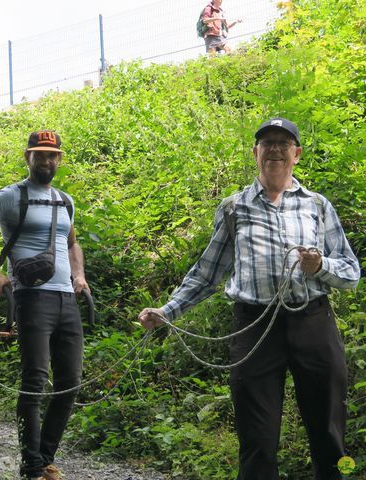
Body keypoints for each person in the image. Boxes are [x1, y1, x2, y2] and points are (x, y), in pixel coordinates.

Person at [138, 118, 360, 480]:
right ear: (255, 153)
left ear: (296, 154)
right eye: (267, 143)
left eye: (283, 143)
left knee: (330, 429)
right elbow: (207, 273)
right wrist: (167, 311)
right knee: (257, 436)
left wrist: (320, 266)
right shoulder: (233, 208)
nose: (275, 149)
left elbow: (350, 272)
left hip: (313, 322)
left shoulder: (317, 206)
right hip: (254, 328)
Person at [0, 130, 89, 480]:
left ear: (59, 159)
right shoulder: (11, 197)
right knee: (34, 380)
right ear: (27, 157)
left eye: (52, 155)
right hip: (32, 298)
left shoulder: (65, 200)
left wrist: (79, 277)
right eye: (39, 154)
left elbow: (72, 244)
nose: (47, 161)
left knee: (70, 382)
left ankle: (42, 460)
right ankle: (32, 465)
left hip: (66, 300)